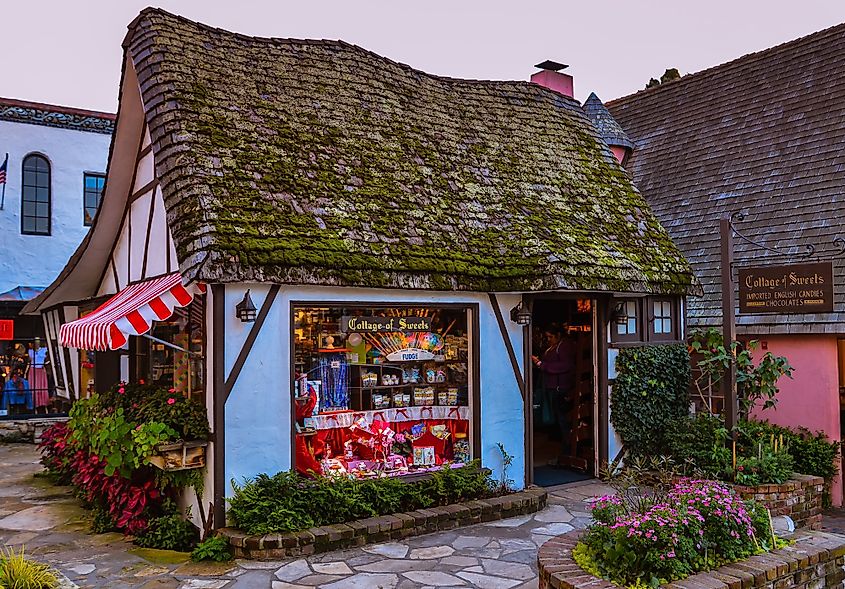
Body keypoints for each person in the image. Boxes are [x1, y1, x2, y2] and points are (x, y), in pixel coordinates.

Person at [532, 326, 576, 462]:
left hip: (560, 387)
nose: (548, 340)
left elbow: (566, 365)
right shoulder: (554, 347)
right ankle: (563, 447)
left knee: (562, 419)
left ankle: (567, 448)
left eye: (550, 337)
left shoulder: (564, 347)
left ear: (558, 335)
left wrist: (542, 365)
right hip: (552, 387)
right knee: (558, 418)